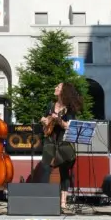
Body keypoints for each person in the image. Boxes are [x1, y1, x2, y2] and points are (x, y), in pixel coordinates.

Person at [37, 82, 83, 212]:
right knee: (45, 167)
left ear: (64, 91)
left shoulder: (69, 108)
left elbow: (69, 126)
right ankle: (44, 198)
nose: (55, 88)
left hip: (64, 141)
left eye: (58, 87)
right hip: (50, 140)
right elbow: (45, 119)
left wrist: (59, 120)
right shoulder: (51, 105)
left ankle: (63, 202)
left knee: (64, 171)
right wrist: (44, 120)